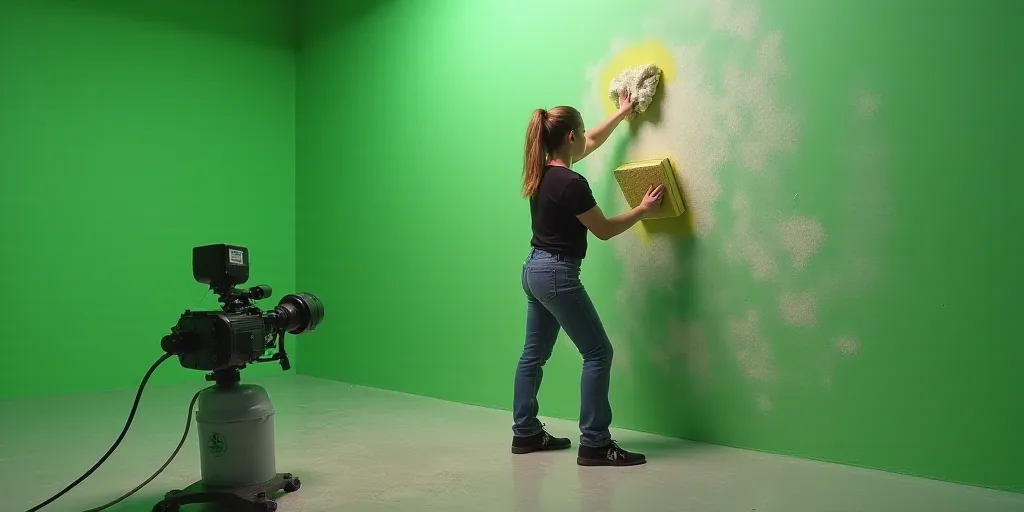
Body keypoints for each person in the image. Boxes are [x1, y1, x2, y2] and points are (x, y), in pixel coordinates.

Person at [510, 91, 666, 467]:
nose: (586, 138)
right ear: (569, 138)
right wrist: (642, 210)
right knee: (598, 353)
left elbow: (592, 139)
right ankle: (595, 443)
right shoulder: (572, 184)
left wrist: (622, 113)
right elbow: (605, 230)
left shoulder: (541, 173)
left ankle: (525, 433)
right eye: (581, 132)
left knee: (533, 356)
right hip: (558, 274)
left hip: (533, 270)